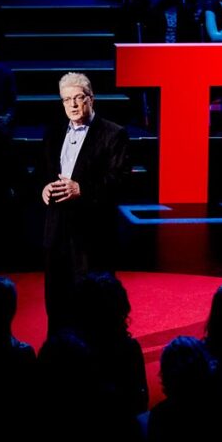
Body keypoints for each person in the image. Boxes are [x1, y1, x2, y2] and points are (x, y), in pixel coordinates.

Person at [41, 72, 130, 334]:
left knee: (92, 299)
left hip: (93, 232)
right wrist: (44, 187)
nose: (72, 104)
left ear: (91, 99)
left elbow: (120, 180)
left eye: (78, 97)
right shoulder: (54, 132)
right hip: (56, 229)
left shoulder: (114, 134)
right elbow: (42, 172)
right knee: (56, 295)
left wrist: (82, 188)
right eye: (66, 99)